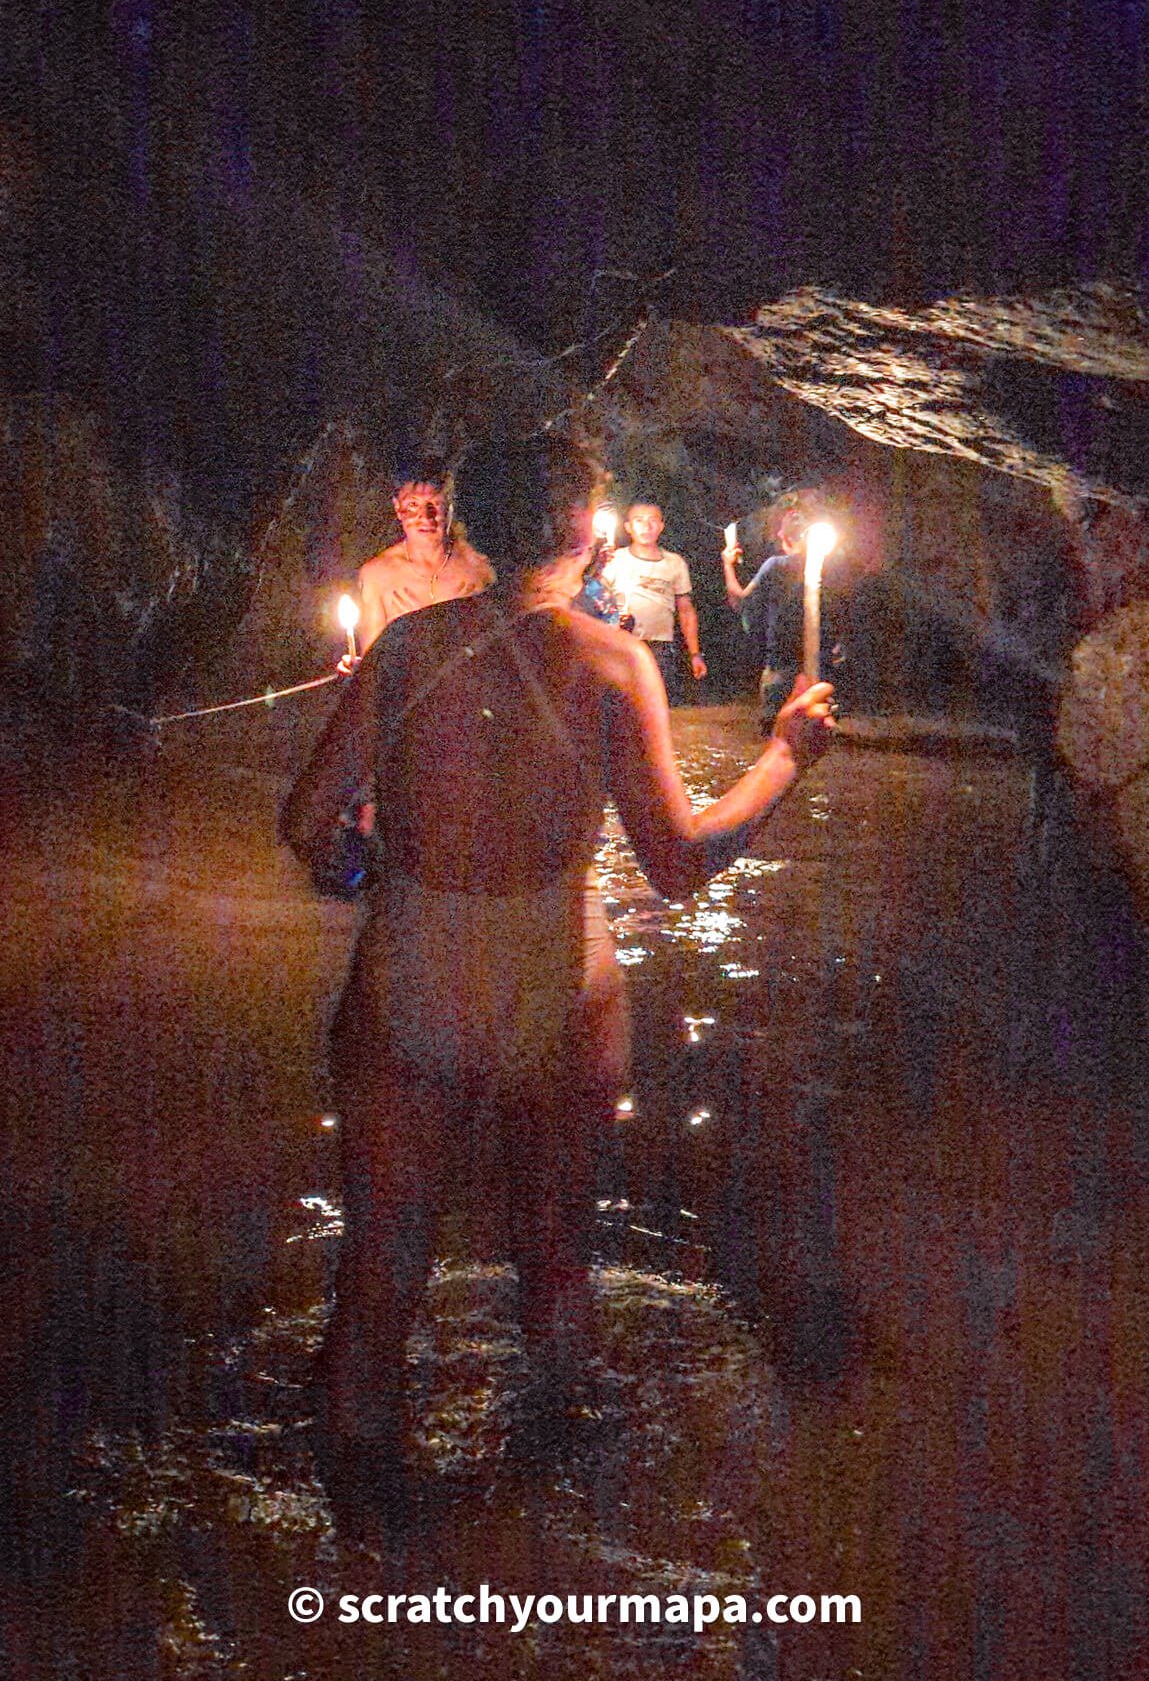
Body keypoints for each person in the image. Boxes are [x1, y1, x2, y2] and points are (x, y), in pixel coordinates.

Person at [280, 435, 833, 1518]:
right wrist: (782, 758)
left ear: (473, 524)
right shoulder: (612, 663)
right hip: (555, 982)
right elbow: (677, 863)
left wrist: (359, 849)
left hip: (411, 972)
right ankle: (559, 1509)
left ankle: (359, 1546)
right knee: (555, 1261)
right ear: (583, 531)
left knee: (381, 1271)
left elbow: (308, 825)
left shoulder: (402, 650)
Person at [351, 465, 493, 659]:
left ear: (449, 508)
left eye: (435, 504)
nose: (426, 517)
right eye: (413, 505)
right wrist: (355, 669)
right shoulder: (377, 576)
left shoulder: (478, 563)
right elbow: (372, 662)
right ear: (398, 509)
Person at [722, 493, 820, 729]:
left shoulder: (776, 565)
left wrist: (727, 565)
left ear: (782, 535)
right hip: (822, 660)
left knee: (775, 729)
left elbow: (740, 601)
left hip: (782, 661)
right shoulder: (831, 568)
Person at [603, 500, 707, 697]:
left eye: (652, 521)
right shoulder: (614, 560)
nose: (646, 526)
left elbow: (685, 611)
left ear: (661, 526)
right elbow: (596, 600)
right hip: (623, 642)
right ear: (628, 527)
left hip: (661, 648)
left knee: (656, 702)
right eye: (639, 521)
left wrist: (695, 654)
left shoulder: (674, 563)